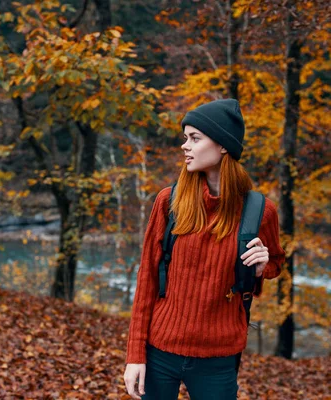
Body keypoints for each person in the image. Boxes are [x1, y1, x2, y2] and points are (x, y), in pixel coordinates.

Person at [122, 99, 286, 399]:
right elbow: (146, 279)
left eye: (195, 138)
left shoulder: (260, 211)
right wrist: (135, 355)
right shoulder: (168, 202)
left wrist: (264, 267)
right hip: (159, 351)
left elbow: (276, 262)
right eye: (185, 138)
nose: (185, 146)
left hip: (219, 359)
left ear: (223, 145)